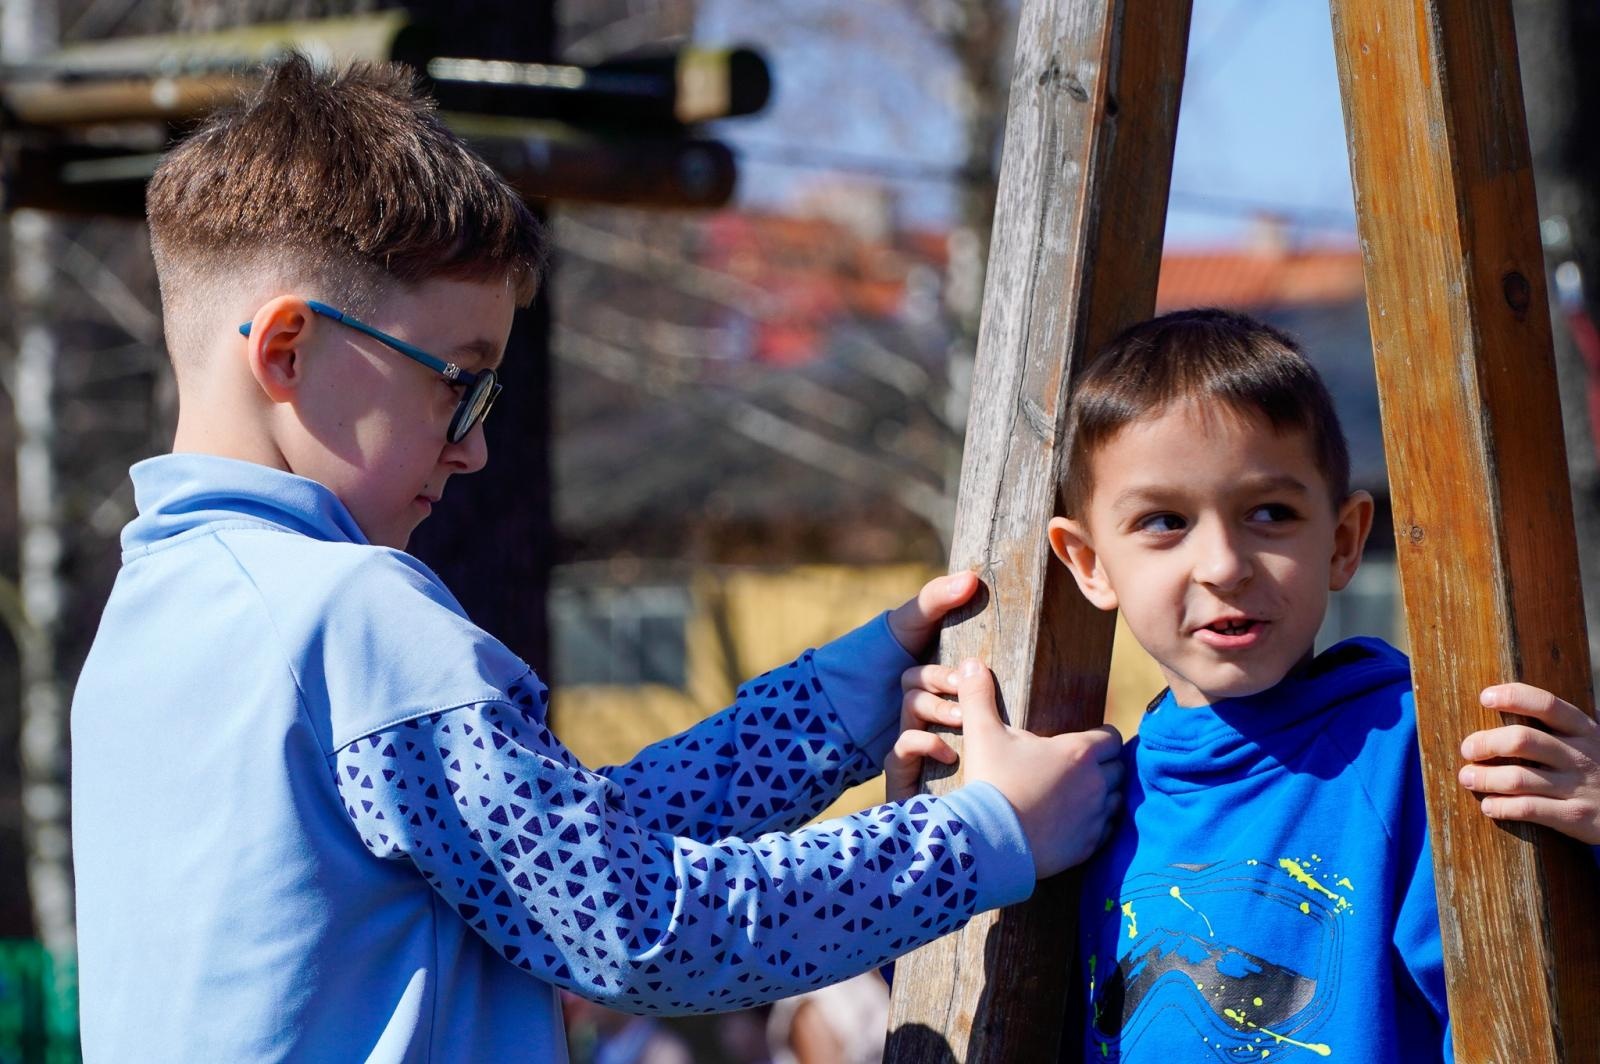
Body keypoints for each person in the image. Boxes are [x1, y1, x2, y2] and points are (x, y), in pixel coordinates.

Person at [67, 56, 1125, 1062]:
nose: (475, 443)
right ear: (288, 348)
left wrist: (842, 702)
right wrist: (984, 834)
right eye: (459, 382)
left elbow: (565, 849)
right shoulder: (353, 611)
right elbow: (643, 925)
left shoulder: (142, 630)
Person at [901, 308, 1600, 1060]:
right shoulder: (1084, 804)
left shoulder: (1420, 753)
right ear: (1089, 563)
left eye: (1270, 513)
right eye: (1166, 521)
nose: (1225, 564)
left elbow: (1541, 1002)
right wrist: (930, 828)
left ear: (1342, 542)